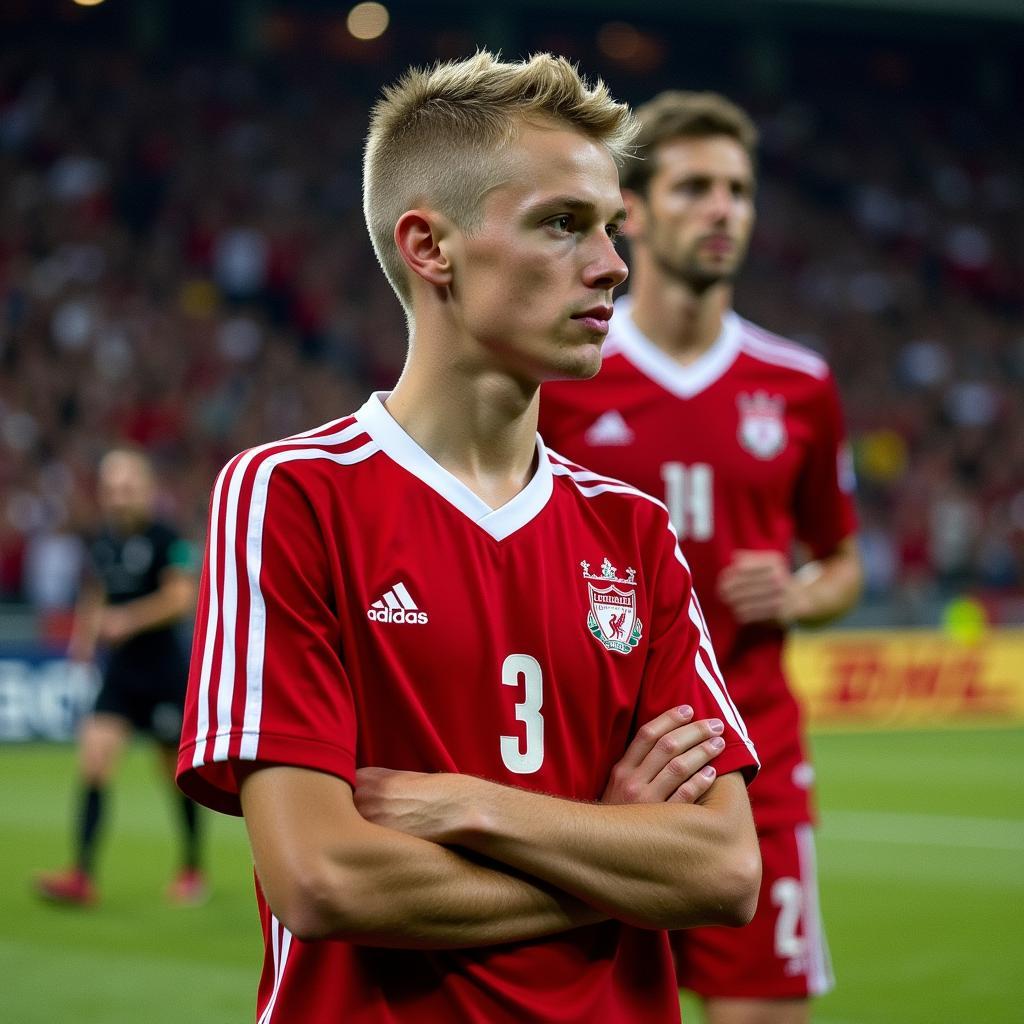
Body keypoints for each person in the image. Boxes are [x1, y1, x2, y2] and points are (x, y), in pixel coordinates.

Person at [177, 53, 761, 1023]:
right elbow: (324, 879)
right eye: (562, 224)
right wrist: (614, 848)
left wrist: (480, 808)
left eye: (611, 227)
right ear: (430, 247)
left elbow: (725, 869)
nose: (613, 263)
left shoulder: (635, 530)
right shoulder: (291, 496)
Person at [540, 91, 863, 1024]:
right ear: (631, 211)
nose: (722, 208)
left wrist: (800, 594)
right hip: (595, 770)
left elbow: (842, 563)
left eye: (738, 190)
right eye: (694, 187)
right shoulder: (567, 377)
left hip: (750, 756)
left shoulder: (799, 383)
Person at [34, 446, 205, 906]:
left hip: (164, 675)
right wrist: (83, 640)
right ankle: (81, 875)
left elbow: (180, 598)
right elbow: (96, 593)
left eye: (127, 488)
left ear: (148, 490)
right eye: (111, 489)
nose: (118, 497)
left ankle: (192, 867)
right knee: (93, 764)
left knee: (175, 776)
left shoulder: (170, 539)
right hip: (122, 675)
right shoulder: (103, 541)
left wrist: (127, 619)